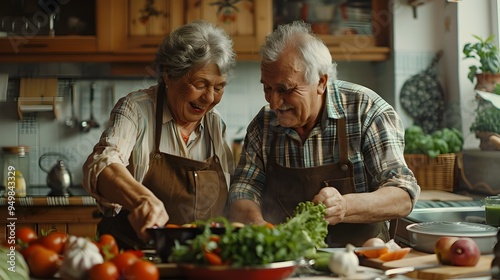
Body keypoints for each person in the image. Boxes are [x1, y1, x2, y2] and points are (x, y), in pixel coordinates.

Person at [227, 21, 421, 247]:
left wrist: (345, 206)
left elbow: (402, 195)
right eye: (267, 89)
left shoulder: (367, 111)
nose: (274, 103)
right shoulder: (264, 125)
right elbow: (242, 190)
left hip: (362, 261)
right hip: (288, 259)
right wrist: (257, 226)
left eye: (285, 89)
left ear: (320, 81)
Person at [82, 20, 236, 249]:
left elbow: (228, 201)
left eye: (219, 87)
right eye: (200, 84)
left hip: (197, 261)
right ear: (168, 75)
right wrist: (142, 200)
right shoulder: (136, 110)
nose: (210, 98)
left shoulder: (216, 125)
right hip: (135, 259)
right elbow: (102, 164)